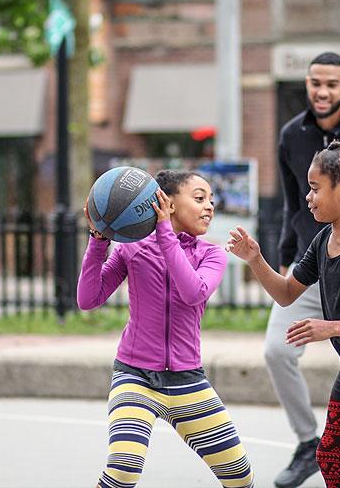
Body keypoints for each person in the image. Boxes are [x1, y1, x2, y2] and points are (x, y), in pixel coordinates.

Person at [78, 170, 254, 488]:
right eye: (199, 198)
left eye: (211, 200)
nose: (210, 206)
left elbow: (193, 292)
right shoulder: (132, 249)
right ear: (166, 203)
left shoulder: (211, 254)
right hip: (135, 377)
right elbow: (89, 299)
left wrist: (164, 234)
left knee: (240, 479)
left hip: (188, 381)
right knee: (122, 471)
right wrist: (97, 241)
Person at [227, 141, 340, 487]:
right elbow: (286, 294)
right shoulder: (323, 241)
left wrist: (330, 327)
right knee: (330, 459)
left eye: (315, 189)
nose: (308, 198)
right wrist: (255, 258)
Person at [265, 51, 340, 488]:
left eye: (331, 84)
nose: (322, 92)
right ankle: (307, 442)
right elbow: (289, 203)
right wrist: (270, 256)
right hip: (314, 259)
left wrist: (333, 328)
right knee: (276, 350)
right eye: (314, 83)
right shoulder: (290, 135)